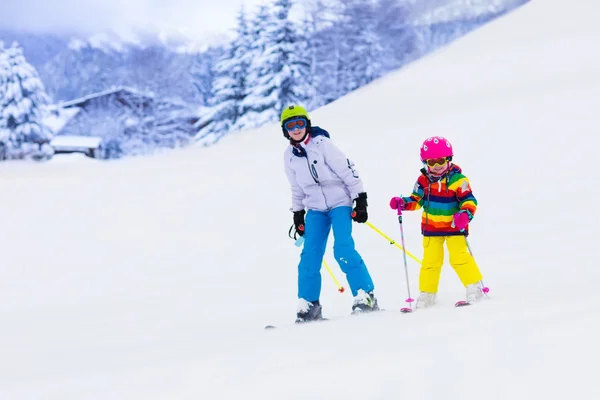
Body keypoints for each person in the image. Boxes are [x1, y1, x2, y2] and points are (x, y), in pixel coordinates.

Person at [281, 104, 379, 323]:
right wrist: (298, 213)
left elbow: (347, 169)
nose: (296, 129)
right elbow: (296, 187)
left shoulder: (322, 144)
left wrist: (359, 199)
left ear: (307, 124)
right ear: (285, 130)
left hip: (339, 203)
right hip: (315, 209)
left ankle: (366, 296)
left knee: (343, 249)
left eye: (300, 123)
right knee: (309, 257)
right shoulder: (289, 156)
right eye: (290, 125)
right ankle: (309, 305)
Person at [389, 136, 485, 307]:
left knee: (459, 258)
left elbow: (469, 201)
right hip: (431, 229)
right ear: (425, 162)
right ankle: (427, 293)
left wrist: (465, 215)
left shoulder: (458, 180)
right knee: (430, 262)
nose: (437, 165)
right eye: (431, 162)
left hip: (455, 227)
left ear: (449, 159)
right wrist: (403, 203)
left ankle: (474, 286)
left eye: (441, 160)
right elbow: (416, 200)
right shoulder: (423, 181)